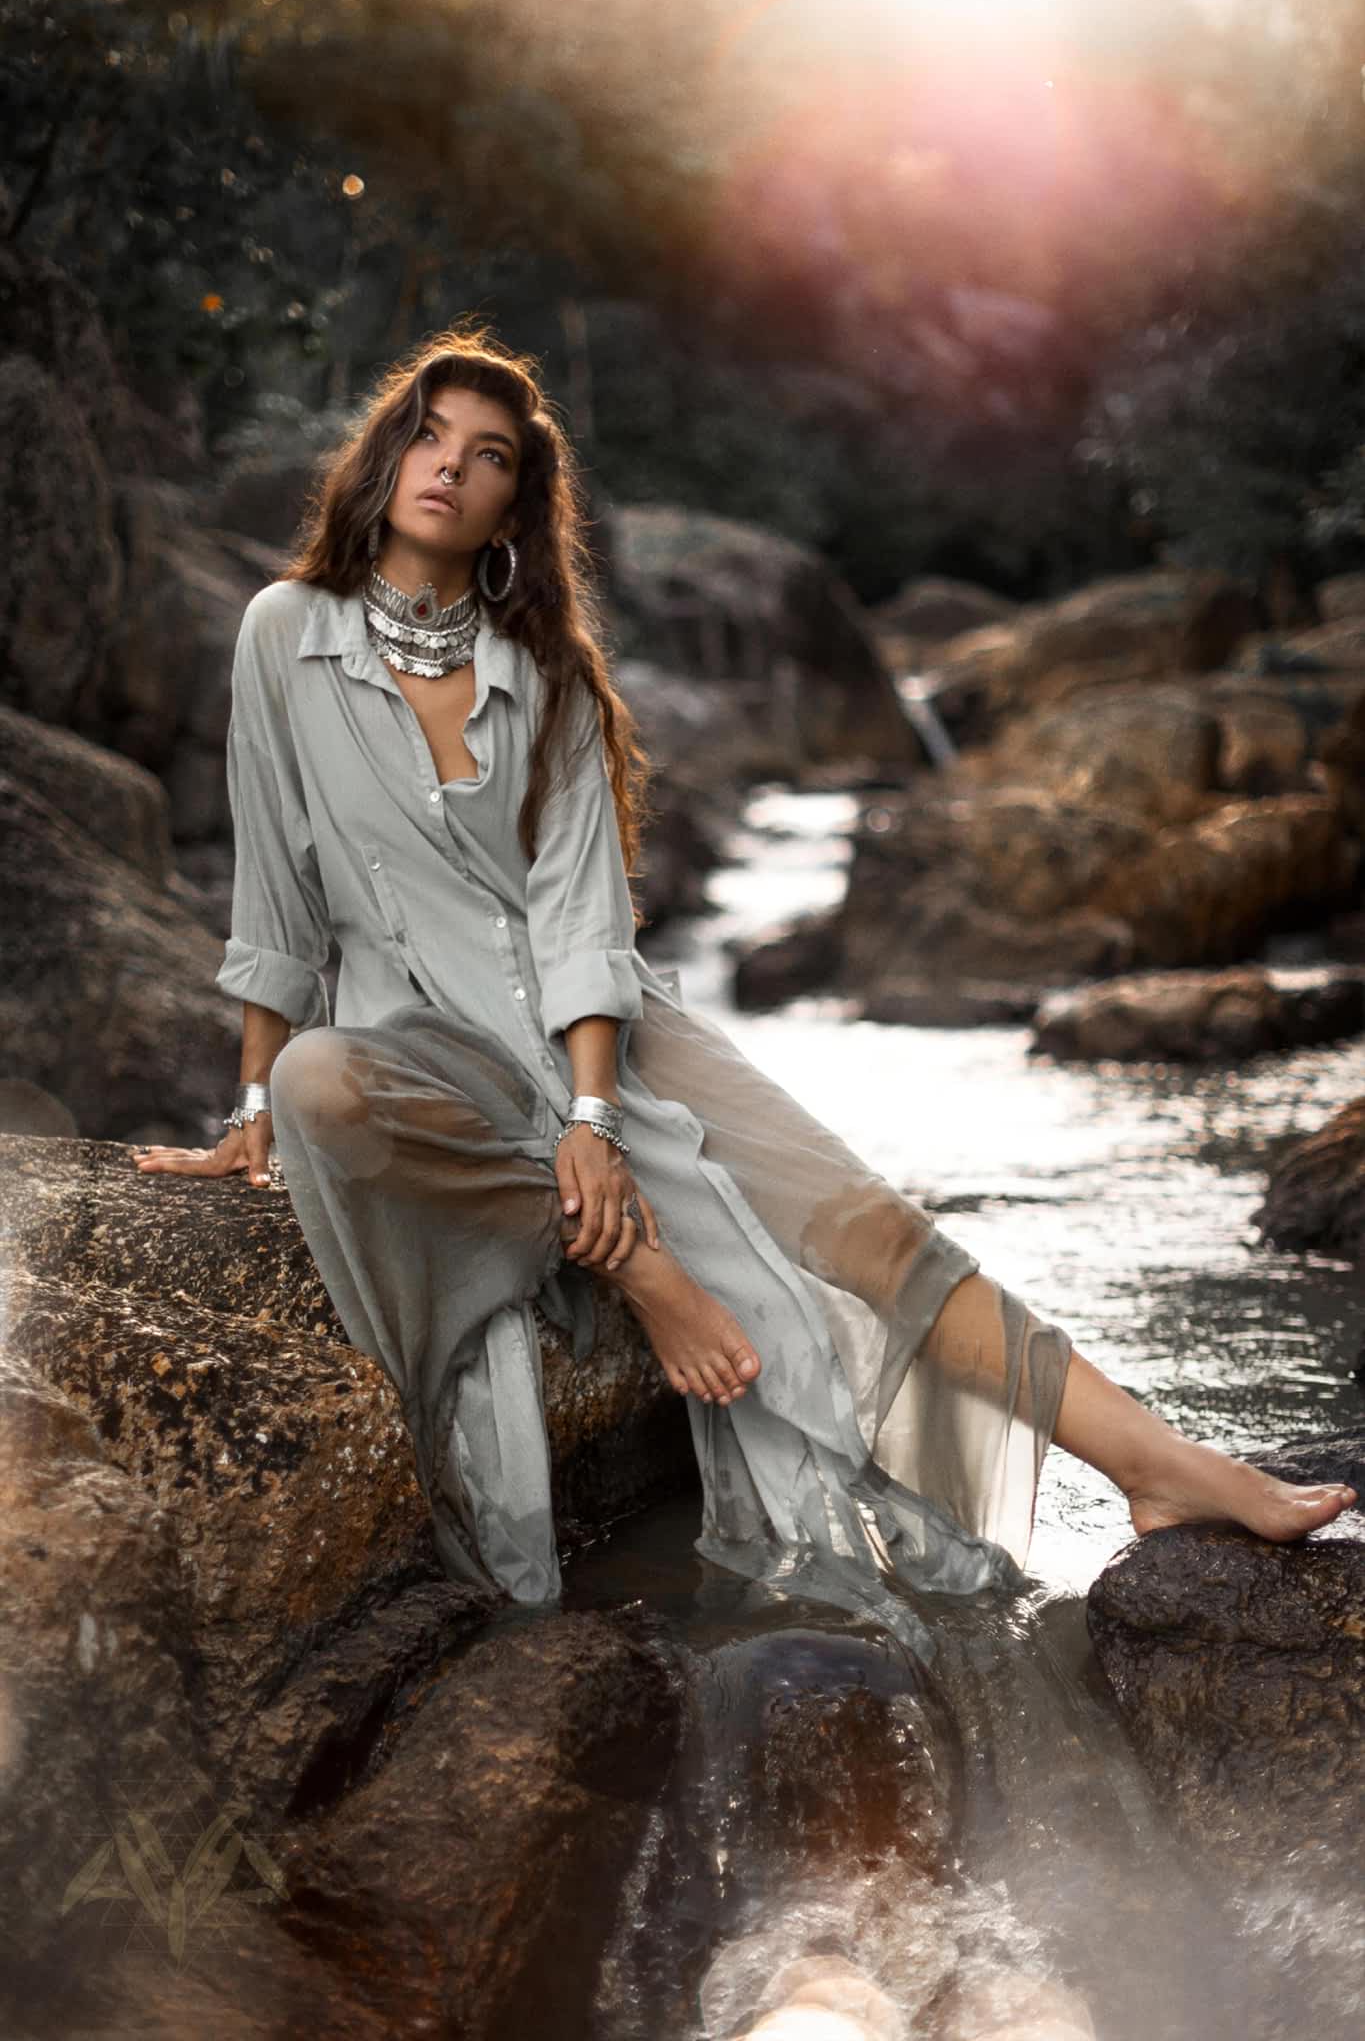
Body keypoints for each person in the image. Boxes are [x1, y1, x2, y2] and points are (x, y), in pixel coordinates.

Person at [132, 324, 1356, 1651]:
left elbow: (582, 921)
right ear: (380, 461)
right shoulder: (283, 634)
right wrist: (252, 1096)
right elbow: (275, 897)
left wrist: (593, 1122)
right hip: (411, 1046)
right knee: (322, 1085)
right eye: (426, 436)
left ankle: (1155, 1465)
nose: (447, 467)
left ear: (509, 510)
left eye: (485, 458)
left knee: (874, 1229)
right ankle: (652, 1278)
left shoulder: (542, 678)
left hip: (600, 1033)